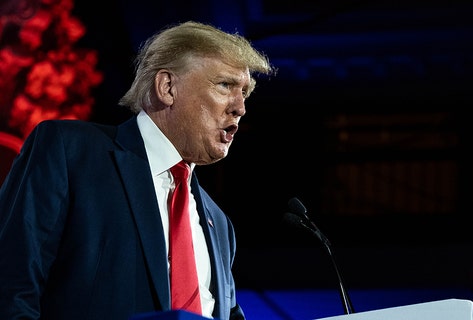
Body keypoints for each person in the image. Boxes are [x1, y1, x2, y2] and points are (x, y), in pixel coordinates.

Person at [0, 20, 274, 320]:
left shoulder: (219, 224)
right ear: (167, 87)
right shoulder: (71, 153)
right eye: (225, 85)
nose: (240, 107)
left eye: (245, 92)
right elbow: (11, 285)